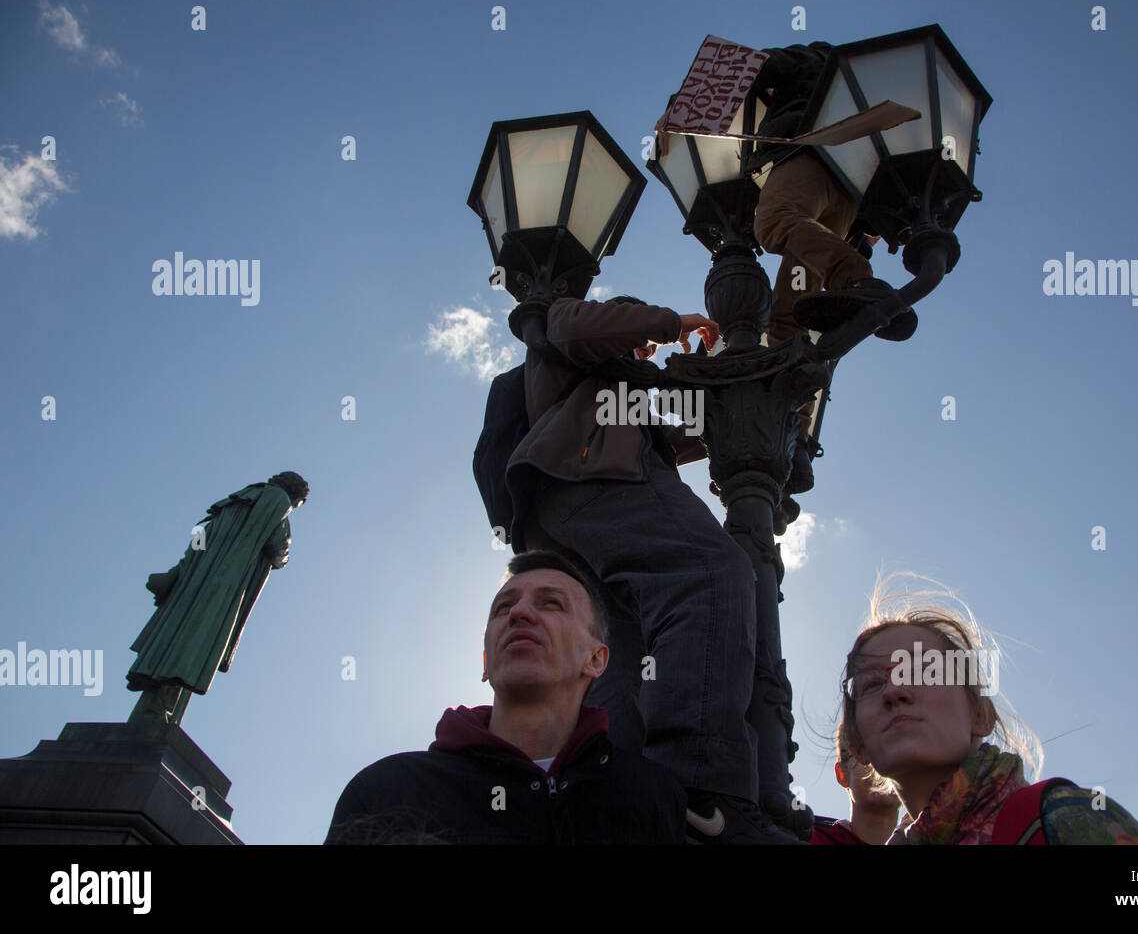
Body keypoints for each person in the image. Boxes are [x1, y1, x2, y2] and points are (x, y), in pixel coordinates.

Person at [507, 294, 796, 843]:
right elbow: (572, 325)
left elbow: (661, 438)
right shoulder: (562, 329)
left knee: (625, 651)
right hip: (596, 481)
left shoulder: (604, 391)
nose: (637, 345)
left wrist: (711, 409)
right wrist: (670, 324)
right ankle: (699, 791)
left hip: (564, 514)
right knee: (709, 574)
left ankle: (627, 808)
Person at [325, 550, 685, 844]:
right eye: (502, 608)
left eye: (551, 604)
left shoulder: (652, 793)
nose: (518, 613)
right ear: (485, 664)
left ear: (595, 659)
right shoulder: (388, 789)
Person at [838, 573, 1138, 844]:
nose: (894, 690)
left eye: (925, 671)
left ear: (980, 715)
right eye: (871, 685)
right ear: (858, 745)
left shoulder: (1064, 819)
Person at [747, 41, 918, 493]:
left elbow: (763, 65)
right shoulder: (857, 93)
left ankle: (857, 279)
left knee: (773, 223)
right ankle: (796, 437)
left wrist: (690, 105)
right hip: (846, 188)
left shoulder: (811, 60)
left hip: (805, 156)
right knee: (789, 322)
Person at [127, 470, 309, 725]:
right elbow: (279, 549)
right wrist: (285, 554)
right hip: (222, 586)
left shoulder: (237, 499)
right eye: (297, 505)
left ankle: (154, 712)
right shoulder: (278, 501)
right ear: (294, 496)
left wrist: (180, 572)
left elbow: (198, 541)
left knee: (177, 642)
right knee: (194, 647)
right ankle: (159, 711)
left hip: (196, 581)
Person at [810, 717, 902, 845]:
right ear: (842, 774)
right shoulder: (808, 838)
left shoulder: (932, 836)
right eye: (865, 751)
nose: (879, 765)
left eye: (894, 752)